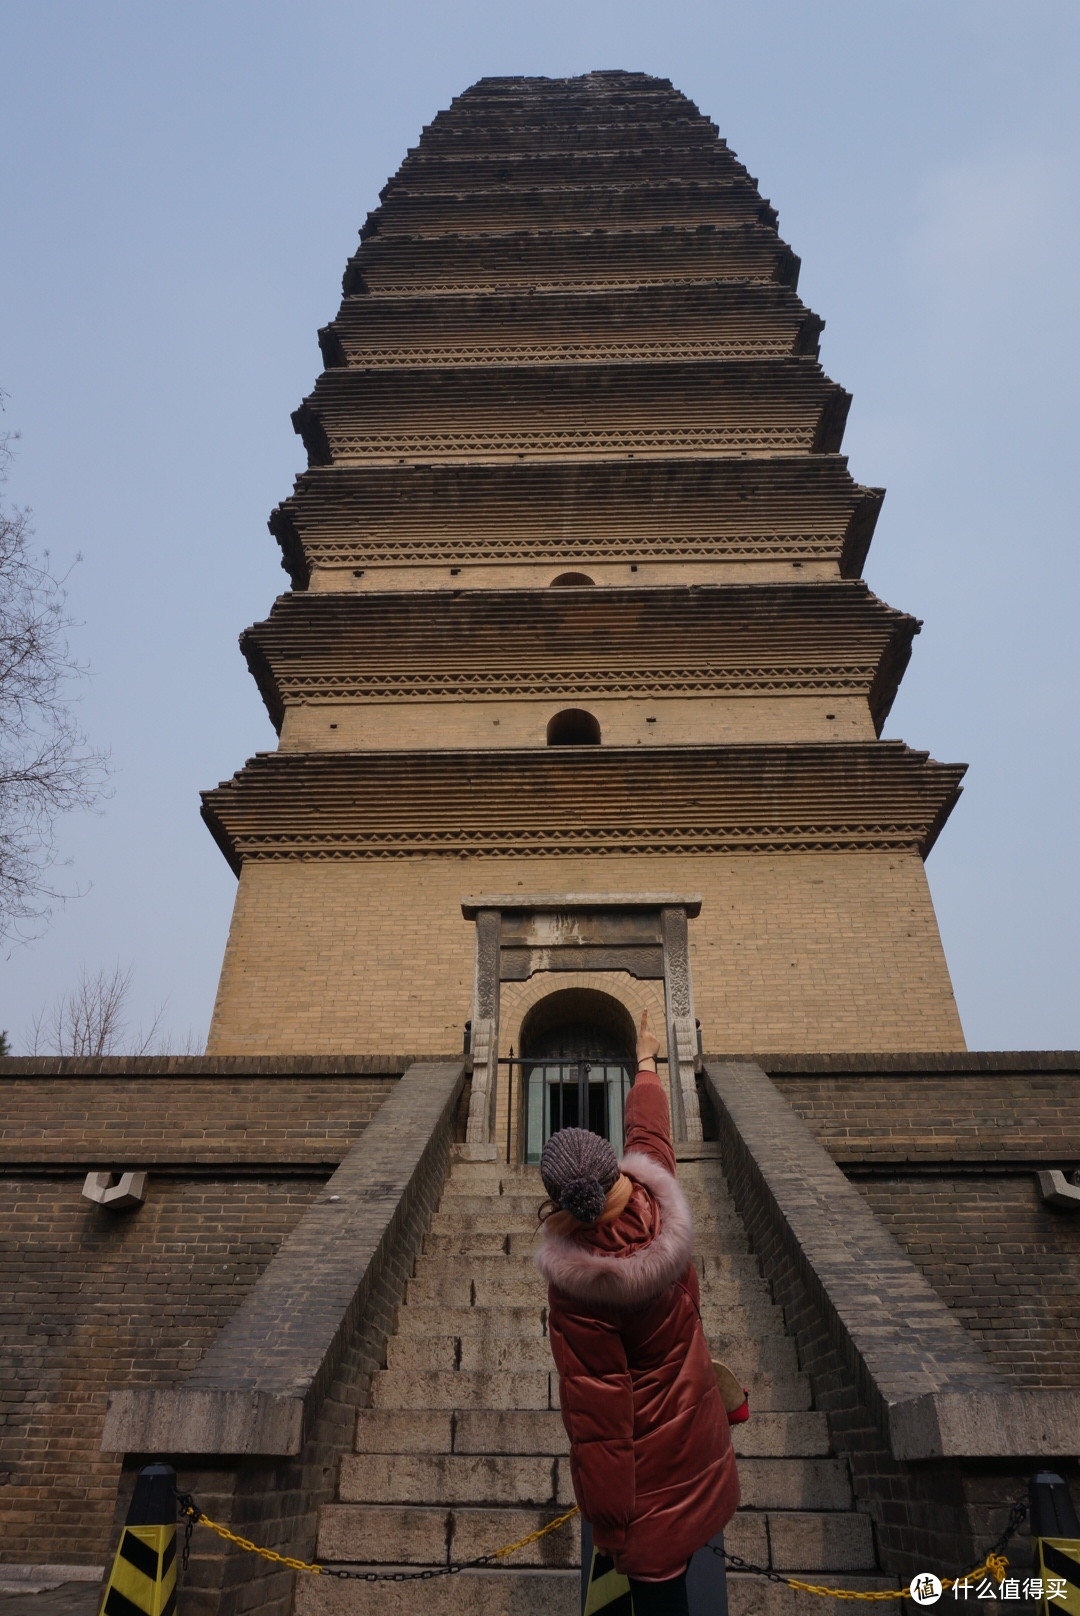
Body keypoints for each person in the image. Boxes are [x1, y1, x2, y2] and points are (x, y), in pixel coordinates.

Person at [535, 1011, 742, 1616]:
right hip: (696, 1437)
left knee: (661, 1599)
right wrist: (646, 1060)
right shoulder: (658, 1197)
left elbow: (598, 1416)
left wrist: (613, 1524)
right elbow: (649, 1133)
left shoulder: (580, 1288)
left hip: (650, 1474)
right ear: (613, 1168)